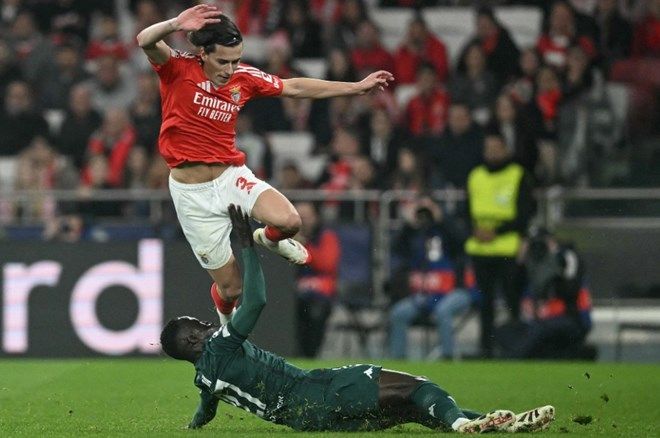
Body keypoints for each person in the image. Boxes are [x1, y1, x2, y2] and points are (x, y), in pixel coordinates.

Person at [160, 204, 555, 433]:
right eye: (199, 326)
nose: (207, 325)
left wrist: (191, 427)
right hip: (316, 391)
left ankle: (501, 425)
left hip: (310, 420)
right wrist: (247, 245)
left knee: (413, 409)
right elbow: (257, 300)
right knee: (419, 387)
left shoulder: (204, 378)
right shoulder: (221, 346)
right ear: (193, 342)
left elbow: (206, 409)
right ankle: (461, 425)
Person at [136, 4, 394, 323]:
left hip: (230, 176)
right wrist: (176, 23)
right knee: (231, 289)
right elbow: (145, 39)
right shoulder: (177, 68)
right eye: (223, 61)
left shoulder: (244, 78)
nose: (230, 69)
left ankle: (267, 238)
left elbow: (294, 87)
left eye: (236, 60)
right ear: (202, 54)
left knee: (290, 222)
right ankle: (226, 328)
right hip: (192, 195)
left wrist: (354, 88)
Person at [465, 132, 536, 358]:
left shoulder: (518, 175)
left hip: (508, 247)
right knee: (484, 303)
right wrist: (474, 230)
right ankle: (485, 348)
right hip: (480, 248)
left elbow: (525, 213)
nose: (492, 153)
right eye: (489, 148)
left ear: (506, 149)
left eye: (496, 148)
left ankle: (515, 348)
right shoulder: (475, 176)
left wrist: (496, 231)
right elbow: (466, 210)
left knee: (512, 300)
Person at [388, 196, 477, 360]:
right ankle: (399, 361)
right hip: (426, 295)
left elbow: (462, 241)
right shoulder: (415, 234)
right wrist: (408, 224)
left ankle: (447, 358)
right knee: (398, 313)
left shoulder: (448, 230)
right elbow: (396, 249)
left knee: (443, 311)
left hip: (455, 291)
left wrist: (441, 218)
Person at [499, 228, 594, 360]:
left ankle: (512, 360)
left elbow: (570, 289)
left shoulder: (566, 257)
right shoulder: (531, 262)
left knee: (539, 330)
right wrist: (520, 260)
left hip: (569, 317)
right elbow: (513, 290)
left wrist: (553, 262)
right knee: (504, 331)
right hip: (539, 319)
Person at [292, 202, 340, 358]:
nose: (303, 222)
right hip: (291, 290)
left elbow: (327, 265)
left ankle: (310, 354)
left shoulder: (326, 236)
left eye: (307, 217)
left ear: (316, 218)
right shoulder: (283, 237)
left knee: (315, 309)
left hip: (320, 291)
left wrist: (303, 246)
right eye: (299, 217)